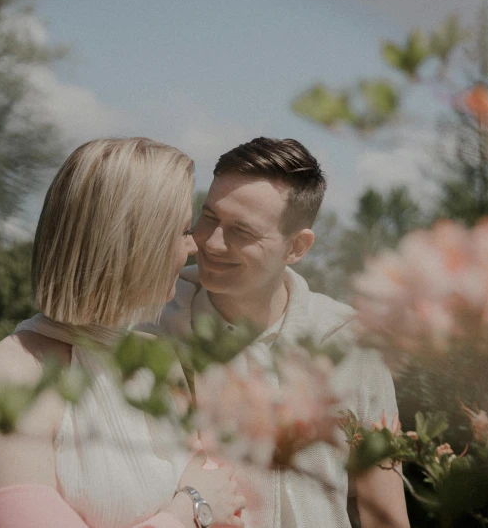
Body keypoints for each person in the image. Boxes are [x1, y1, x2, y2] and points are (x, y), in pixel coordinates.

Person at [0, 137, 246, 528]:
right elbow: (204, 498)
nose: (192, 247)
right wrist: (188, 510)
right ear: (133, 243)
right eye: (181, 231)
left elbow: (225, 501)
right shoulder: (7, 377)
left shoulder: (157, 360)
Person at [150, 137, 411, 528]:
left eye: (242, 231)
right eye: (209, 216)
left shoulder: (353, 345)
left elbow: (382, 514)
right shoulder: (152, 328)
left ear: (297, 247)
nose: (212, 242)